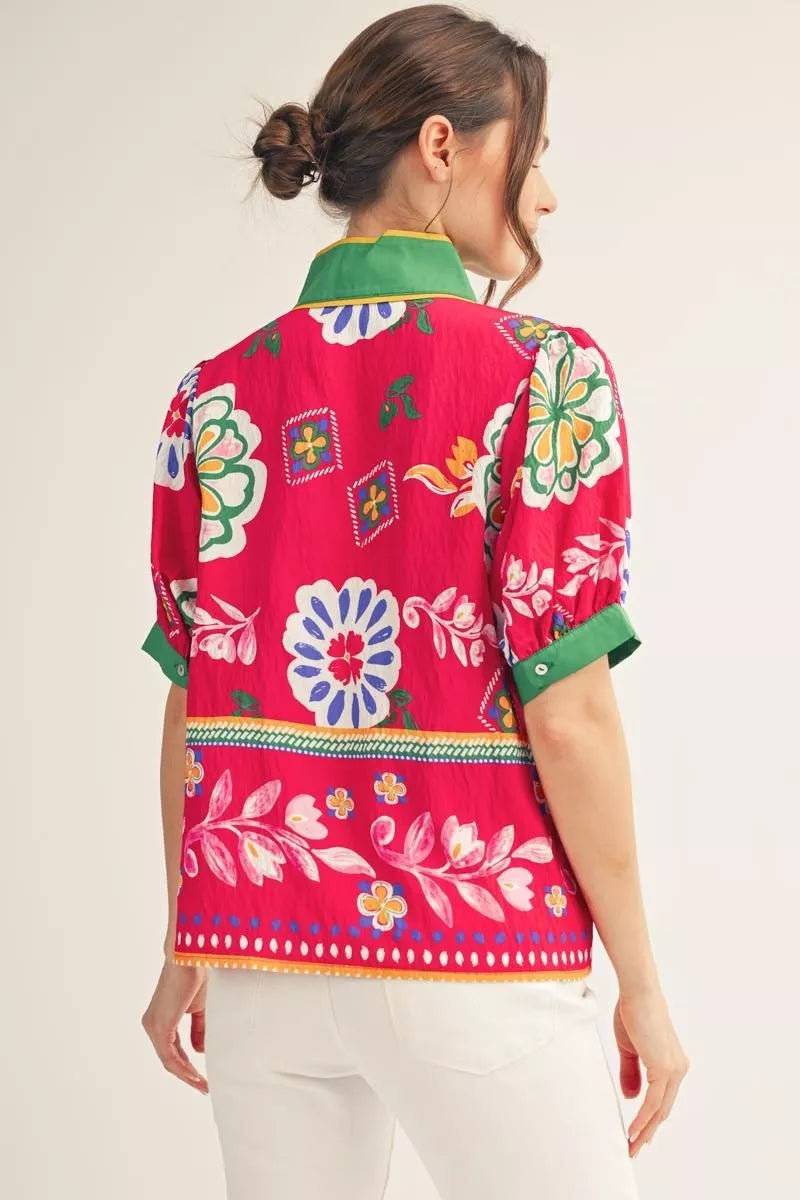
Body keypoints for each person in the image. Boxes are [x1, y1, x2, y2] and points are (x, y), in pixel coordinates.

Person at [139, 5, 689, 1197]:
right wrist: (641, 985)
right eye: (531, 154)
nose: (544, 196)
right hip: (471, 950)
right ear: (442, 146)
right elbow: (568, 714)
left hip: (261, 962)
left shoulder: (210, 396)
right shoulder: (544, 377)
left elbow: (195, 693)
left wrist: (189, 930)